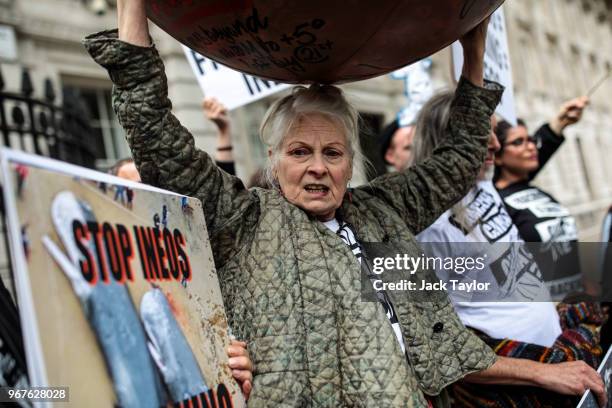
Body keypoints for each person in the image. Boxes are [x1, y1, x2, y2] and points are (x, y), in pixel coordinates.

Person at [84, 2, 605, 405]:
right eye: (299, 152)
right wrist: (134, 12)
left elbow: (461, 155)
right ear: (272, 158)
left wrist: (473, 47)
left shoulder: (383, 211)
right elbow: (154, 135)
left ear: (352, 161)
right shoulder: (242, 220)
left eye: (333, 152)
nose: (317, 166)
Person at [413, 92, 604, 406]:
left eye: (495, 131)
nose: (496, 145)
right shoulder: (418, 227)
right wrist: (542, 373)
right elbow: (434, 349)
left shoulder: (484, 185)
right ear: (447, 138)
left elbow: (526, 160)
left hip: (563, 364)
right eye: (483, 133)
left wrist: (558, 124)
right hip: (519, 389)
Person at [494, 97, 589, 299]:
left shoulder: (539, 192)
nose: (531, 147)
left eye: (530, 140)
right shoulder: (495, 204)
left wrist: (561, 122)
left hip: (578, 305)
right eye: (518, 142)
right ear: (497, 155)